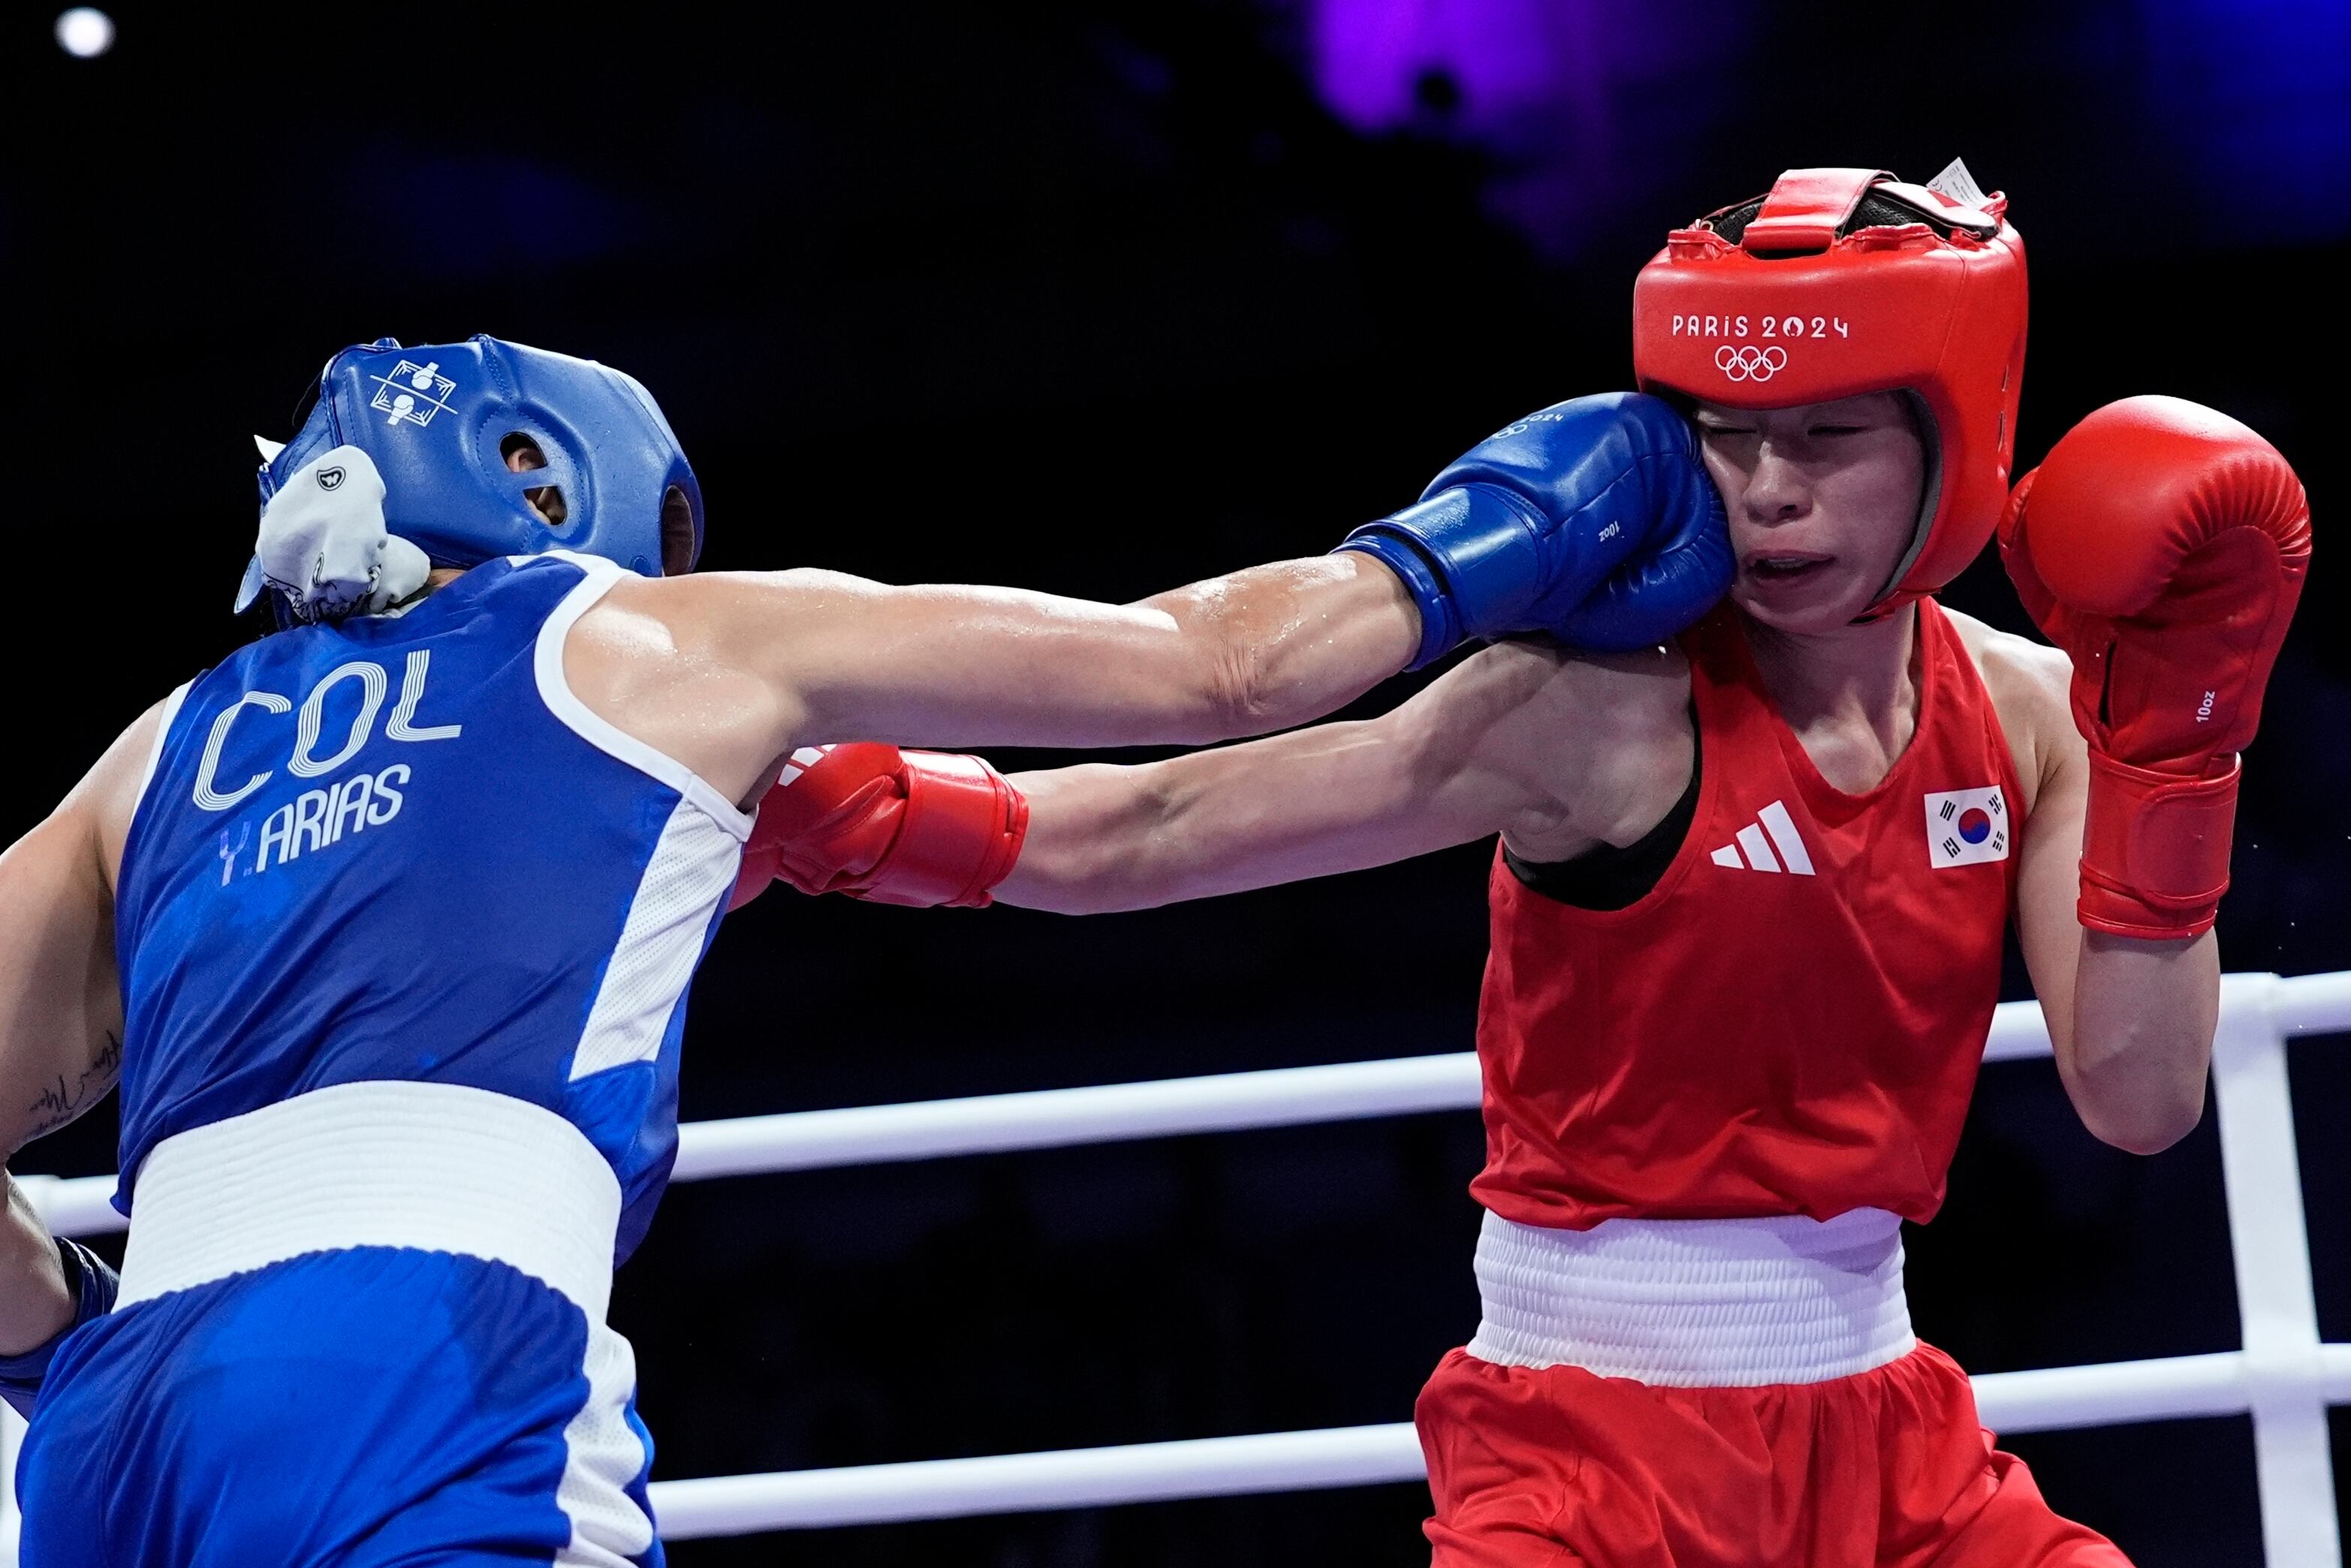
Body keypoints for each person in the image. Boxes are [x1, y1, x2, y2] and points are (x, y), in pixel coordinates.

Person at [743, 167, 2313, 1565]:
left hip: (1896, 1441)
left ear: (1957, 439)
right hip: (1586, 1450)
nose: (1769, 492)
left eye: (1828, 438)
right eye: (1729, 435)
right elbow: (1155, 829)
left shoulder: (2038, 713)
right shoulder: (1594, 708)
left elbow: (2144, 1096)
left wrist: (2177, 754)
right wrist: (844, 811)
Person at [0, 330, 1729, 1566]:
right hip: (422, 1359)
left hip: (114, 1435)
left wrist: (63, 1335)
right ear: (556, 483)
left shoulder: (154, 753)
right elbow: (1215, 667)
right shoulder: (656, 638)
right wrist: (1504, 527)